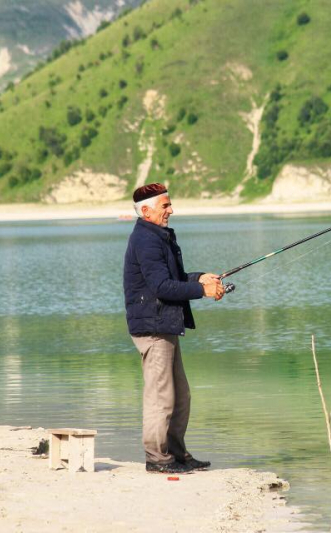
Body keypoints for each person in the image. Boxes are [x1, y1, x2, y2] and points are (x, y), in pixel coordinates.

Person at [123, 182, 224, 474]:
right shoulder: (146, 240)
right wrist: (202, 291)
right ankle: (157, 459)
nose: (171, 210)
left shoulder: (158, 236)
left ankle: (177, 453)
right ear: (146, 211)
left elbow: (173, 279)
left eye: (169, 204)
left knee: (180, 396)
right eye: (165, 205)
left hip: (164, 323)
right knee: (161, 397)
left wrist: (199, 278)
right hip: (153, 328)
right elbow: (162, 287)